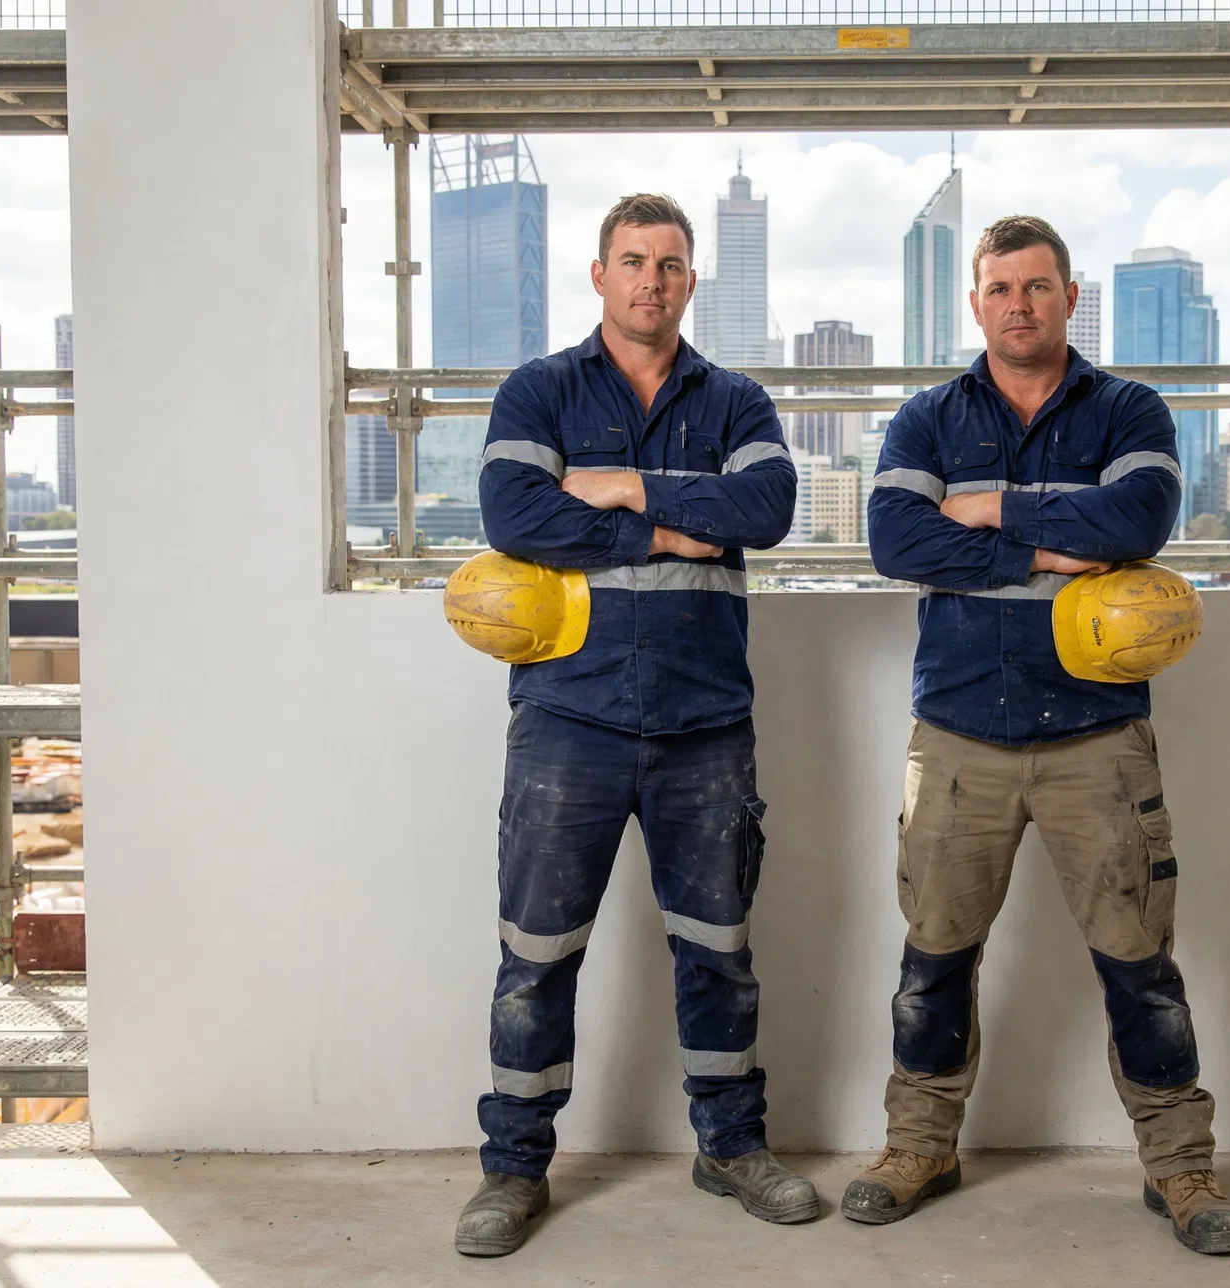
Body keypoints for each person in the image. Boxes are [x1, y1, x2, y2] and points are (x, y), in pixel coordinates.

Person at [844, 215, 1230, 1256]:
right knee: (933, 959)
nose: (1018, 304)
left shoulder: (1128, 409)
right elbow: (894, 537)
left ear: (1069, 297)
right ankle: (918, 1144)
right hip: (959, 737)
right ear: (974, 303)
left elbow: (1139, 523)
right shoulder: (926, 418)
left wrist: (989, 509)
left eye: (1037, 285)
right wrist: (1056, 553)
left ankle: (1181, 1168)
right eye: (999, 288)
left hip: (1098, 741)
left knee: (1140, 963)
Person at [455, 193, 813, 1258]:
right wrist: (669, 524)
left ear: (689, 281)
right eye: (631, 261)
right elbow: (516, 516)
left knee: (719, 952)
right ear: (599, 275)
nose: (650, 280)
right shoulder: (541, 389)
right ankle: (514, 1168)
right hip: (569, 717)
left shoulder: (738, 400)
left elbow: (767, 511)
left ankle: (730, 1145)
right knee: (537, 955)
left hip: (706, 724)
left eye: (668, 264)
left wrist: (616, 487)